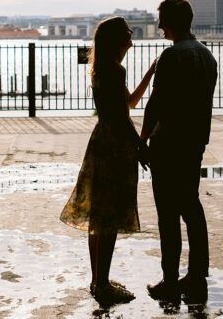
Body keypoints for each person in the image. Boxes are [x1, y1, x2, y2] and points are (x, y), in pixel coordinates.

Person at [60, 16, 157, 305]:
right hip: (115, 144)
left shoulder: (104, 69)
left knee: (98, 217)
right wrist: (140, 144)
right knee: (110, 216)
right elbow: (122, 115)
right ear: (117, 39)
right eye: (128, 33)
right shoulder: (115, 70)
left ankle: (97, 280)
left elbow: (128, 103)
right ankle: (102, 284)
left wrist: (149, 75)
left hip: (101, 140)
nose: (132, 37)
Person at [138, 0, 217, 302]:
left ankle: (169, 279)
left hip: (168, 144)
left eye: (161, 20)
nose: (158, 26)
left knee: (167, 214)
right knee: (192, 208)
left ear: (170, 21)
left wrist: (142, 140)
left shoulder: (171, 57)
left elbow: (156, 104)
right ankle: (197, 275)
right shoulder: (206, 56)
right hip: (194, 142)